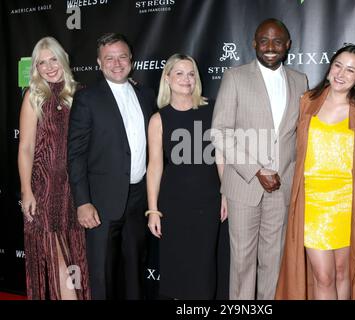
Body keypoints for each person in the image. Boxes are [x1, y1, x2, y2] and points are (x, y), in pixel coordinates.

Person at [211, 18, 308, 300]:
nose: (270, 47)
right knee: (241, 263)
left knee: (274, 261)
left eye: (277, 41)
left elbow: (297, 134)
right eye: (263, 41)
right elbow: (220, 132)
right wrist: (256, 170)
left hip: (283, 186)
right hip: (245, 185)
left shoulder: (299, 80)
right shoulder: (235, 77)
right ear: (254, 43)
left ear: (287, 45)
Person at [275, 45, 355, 300]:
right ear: (330, 67)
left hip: (347, 204)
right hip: (313, 204)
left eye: (350, 70)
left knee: (344, 273)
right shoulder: (307, 102)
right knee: (323, 276)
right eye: (338, 65)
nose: (341, 73)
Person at [68, 33, 156, 299]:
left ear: (131, 59)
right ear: (98, 62)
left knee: (134, 272)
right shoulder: (87, 99)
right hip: (101, 202)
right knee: (103, 275)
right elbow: (75, 155)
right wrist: (83, 202)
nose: (116, 63)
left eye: (122, 57)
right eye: (109, 58)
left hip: (138, 198)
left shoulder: (146, 94)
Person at [146, 53, 227, 299]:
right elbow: (155, 167)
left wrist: (226, 194)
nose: (186, 79)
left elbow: (221, 157)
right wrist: (153, 210)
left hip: (209, 201)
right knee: (177, 268)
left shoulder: (212, 109)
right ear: (167, 78)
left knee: (205, 269)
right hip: (174, 204)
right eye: (179, 73)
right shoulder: (159, 119)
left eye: (191, 73)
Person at [18, 36, 90, 300]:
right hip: (45, 191)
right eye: (41, 62)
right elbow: (25, 147)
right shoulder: (33, 97)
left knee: (75, 257)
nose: (48, 67)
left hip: (75, 191)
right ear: (35, 67)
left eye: (53, 59)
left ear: (64, 60)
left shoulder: (81, 94)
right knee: (58, 258)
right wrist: (26, 190)